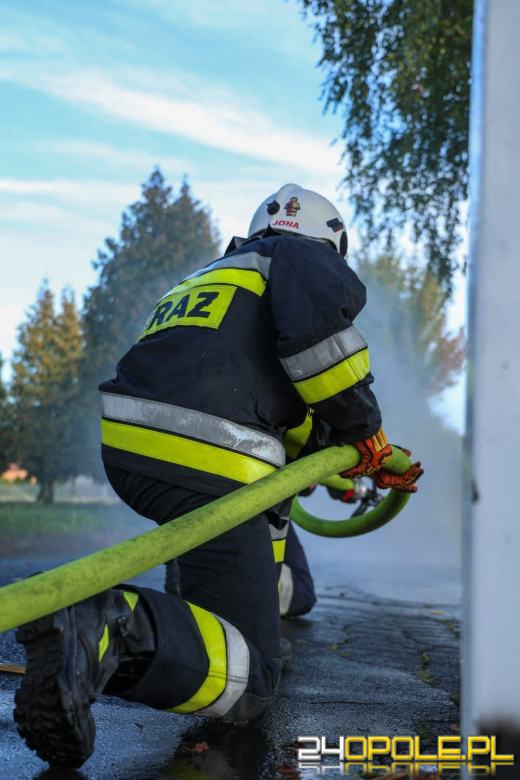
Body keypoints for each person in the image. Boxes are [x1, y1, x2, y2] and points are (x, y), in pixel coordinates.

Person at [14, 184, 423, 768]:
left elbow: (257, 380)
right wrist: (365, 432)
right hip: (212, 452)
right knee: (253, 676)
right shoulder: (302, 258)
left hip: (135, 447)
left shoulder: (216, 276)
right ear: (332, 243)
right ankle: (112, 630)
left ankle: (159, 619)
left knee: (252, 578)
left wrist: (335, 456)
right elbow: (322, 353)